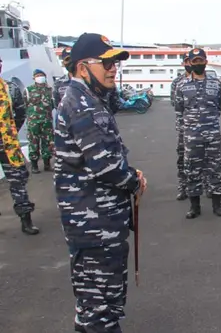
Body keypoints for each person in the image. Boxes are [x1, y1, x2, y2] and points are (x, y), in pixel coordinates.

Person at [53, 33, 147, 332]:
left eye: (114, 63)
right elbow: (106, 165)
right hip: (95, 226)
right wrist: (134, 180)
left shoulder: (88, 98)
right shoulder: (82, 104)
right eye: (105, 63)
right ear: (82, 68)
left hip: (94, 221)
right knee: (101, 310)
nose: (112, 69)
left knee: (91, 306)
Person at [175, 48, 221, 218]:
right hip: (191, 135)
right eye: (194, 61)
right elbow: (179, 109)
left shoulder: (215, 83)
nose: (198, 63)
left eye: (200, 60)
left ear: (206, 61)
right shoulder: (181, 85)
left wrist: (208, 121)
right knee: (192, 169)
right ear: (189, 63)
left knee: (216, 168)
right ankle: (194, 207)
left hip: (212, 134)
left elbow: (220, 106)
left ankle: (217, 205)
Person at [0, 54, 39, 235]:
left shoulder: (10, 88)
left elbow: (20, 112)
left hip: (8, 144)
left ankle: (26, 220)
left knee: (18, 181)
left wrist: (9, 131)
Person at [24, 68, 55, 173]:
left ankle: (47, 164)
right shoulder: (28, 90)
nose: (39, 77)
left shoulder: (49, 89)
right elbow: (25, 104)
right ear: (34, 78)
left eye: (41, 75)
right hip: (34, 123)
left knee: (48, 143)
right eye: (37, 76)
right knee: (34, 144)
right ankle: (34, 166)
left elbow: (52, 104)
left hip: (47, 122)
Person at [170, 53, 192, 200]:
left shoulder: (208, 81)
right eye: (187, 61)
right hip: (184, 127)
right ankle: (183, 186)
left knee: (206, 158)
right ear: (183, 63)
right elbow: (175, 103)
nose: (189, 63)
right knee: (183, 157)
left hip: (204, 127)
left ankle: (207, 185)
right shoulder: (177, 82)